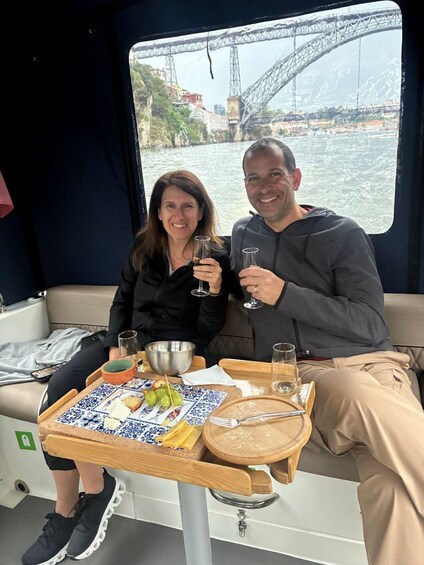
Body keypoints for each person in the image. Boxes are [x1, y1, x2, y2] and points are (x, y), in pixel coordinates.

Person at [23, 170, 231, 565]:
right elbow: (122, 300)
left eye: (188, 205)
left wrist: (217, 290)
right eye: (170, 206)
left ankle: (94, 493)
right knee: (58, 396)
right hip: (125, 344)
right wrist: (114, 349)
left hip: (174, 357)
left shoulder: (216, 256)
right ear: (158, 211)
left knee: (119, 409)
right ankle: (75, 502)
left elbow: (208, 329)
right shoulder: (144, 247)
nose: (179, 215)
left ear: (202, 210)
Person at [231, 137, 424, 565]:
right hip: (303, 377)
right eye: (253, 178)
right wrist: (211, 286)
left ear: (296, 178)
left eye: (274, 174)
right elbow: (231, 291)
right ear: (245, 186)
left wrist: (286, 294)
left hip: (376, 367)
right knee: (352, 390)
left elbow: (371, 324)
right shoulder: (243, 234)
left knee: (392, 485)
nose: (264, 187)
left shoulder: (343, 233)